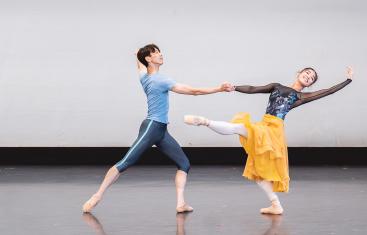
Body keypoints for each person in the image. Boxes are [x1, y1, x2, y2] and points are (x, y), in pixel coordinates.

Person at [82, 44, 232, 213]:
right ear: (148, 59)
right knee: (126, 162)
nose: (160, 54)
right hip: (152, 127)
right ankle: (97, 195)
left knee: (184, 164)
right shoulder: (160, 80)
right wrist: (218, 89)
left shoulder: (144, 77)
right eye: (155, 53)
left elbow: (139, 66)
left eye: (159, 51)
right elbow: (194, 91)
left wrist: (137, 55)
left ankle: (180, 203)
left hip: (161, 131)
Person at [184, 66, 353, 214]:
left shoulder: (300, 96)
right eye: (307, 72)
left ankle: (204, 121)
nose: (308, 76)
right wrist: (235, 87)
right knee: (258, 172)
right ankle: (276, 205)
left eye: (311, 78)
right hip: (264, 124)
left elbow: (327, 91)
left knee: (240, 128)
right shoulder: (276, 86)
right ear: (299, 72)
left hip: (274, 130)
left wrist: (348, 80)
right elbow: (253, 88)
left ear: (309, 84)